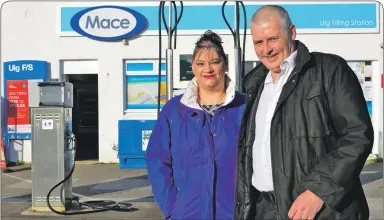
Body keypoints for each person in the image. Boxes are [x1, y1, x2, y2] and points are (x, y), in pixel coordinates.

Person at [234, 5, 374, 220]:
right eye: (258, 42)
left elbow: (357, 135)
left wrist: (318, 191)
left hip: (320, 210)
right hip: (264, 210)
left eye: (272, 39)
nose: (266, 49)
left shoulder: (329, 70)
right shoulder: (252, 83)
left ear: (292, 32)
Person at [146, 30, 246, 220]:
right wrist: (172, 207)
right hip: (187, 214)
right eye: (200, 63)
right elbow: (157, 161)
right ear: (193, 67)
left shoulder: (244, 107)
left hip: (234, 214)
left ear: (225, 64)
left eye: (214, 62)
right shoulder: (174, 111)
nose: (207, 69)